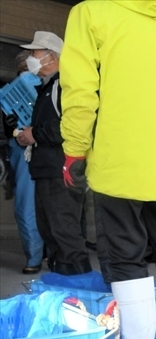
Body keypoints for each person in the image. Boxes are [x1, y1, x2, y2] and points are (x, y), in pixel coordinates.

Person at [59, 0, 156, 339]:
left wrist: (74, 147)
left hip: (122, 158)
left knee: (124, 254)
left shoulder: (91, 13)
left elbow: (79, 87)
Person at [15, 31, 90, 276]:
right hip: (47, 170)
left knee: (65, 235)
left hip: (62, 170)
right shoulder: (47, 88)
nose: (30, 58)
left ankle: (78, 293)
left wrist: (35, 133)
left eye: (35, 53)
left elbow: (71, 124)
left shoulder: (65, 85)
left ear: (51, 56)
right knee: (52, 234)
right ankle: (62, 288)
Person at [3, 51, 45, 274]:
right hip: (22, 151)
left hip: (48, 150)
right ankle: (35, 255)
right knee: (27, 205)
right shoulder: (12, 93)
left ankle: (47, 253)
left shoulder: (50, 88)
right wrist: (11, 127)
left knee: (51, 205)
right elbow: (8, 129)